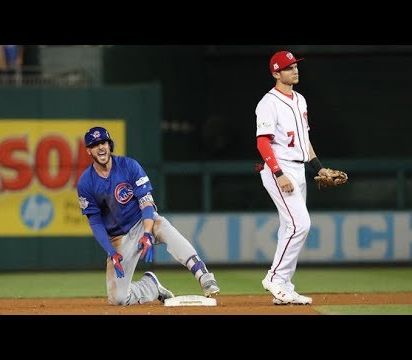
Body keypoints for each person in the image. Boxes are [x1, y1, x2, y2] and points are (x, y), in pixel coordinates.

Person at [77, 126, 220, 306]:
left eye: (103, 142)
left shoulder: (129, 166)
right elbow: (95, 222)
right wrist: (111, 252)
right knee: (118, 300)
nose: (100, 147)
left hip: (142, 221)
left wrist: (146, 233)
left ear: (109, 144)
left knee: (166, 229)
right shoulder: (86, 182)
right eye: (95, 144)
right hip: (118, 239)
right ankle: (151, 286)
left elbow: (146, 203)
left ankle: (203, 275)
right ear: (89, 150)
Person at [255, 50, 329, 305]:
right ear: (276, 73)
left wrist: (318, 168)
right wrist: (278, 173)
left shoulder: (300, 100)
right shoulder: (268, 103)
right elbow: (263, 143)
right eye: (288, 68)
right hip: (280, 168)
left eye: (295, 66)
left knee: (290, 226)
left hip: (299, 168)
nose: (295, 70)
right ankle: (274, 278)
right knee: (301, 224)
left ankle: (284, 286)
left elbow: (305, 141)